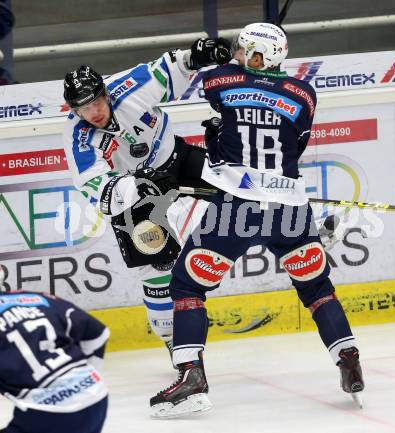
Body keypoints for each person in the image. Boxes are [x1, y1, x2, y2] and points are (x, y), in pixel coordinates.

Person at [150, 22, 365, 418]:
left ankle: (191, 375)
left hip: (237, 206)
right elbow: (295, 144)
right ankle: (347, 355)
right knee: (316, 287)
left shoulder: (221, 79)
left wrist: (219, 136)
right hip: (290, 209)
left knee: (186, 284)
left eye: (244, 49)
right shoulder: (304, 93)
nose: (237, 54)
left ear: (258, 56)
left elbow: (216, 94)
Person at [62, 38, 231, 360]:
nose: (93, 112)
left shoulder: (129, 87)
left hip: (175, 158)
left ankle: (307, 227)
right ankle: (172, 338)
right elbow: (92, 183)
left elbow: (170, 68)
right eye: (83, 108)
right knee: (159, 264)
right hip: (136, 197)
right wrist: (135, 185)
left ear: (105, 93)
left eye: (96, 102)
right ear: (74, 110)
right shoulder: (77, 136)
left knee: (238, 186)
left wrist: (200, 55)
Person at [0, 264, 110, 433]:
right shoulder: (34, 298)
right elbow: (98, 333)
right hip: (95, 396)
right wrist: (81, 381)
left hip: (47, 414)